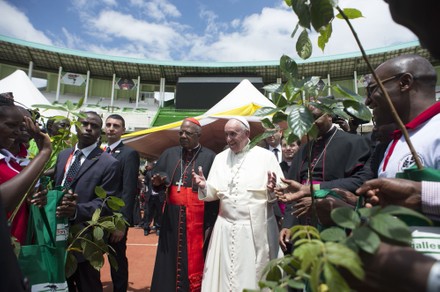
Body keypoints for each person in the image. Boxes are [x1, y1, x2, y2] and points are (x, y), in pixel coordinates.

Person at [192, 117, 284, 292]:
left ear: (247, 134)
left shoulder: (265, 157)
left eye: (233, 134)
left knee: (253, 275)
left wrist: (273, 189)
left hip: (256, 228)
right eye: (226, 134)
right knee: (225, 276)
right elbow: (213, 194)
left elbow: (280, 193)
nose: (228, 139)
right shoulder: (220, 158)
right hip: (225, 228)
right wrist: (205, 186)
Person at [276, 106, 373, 252]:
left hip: (336, 224)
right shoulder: (304, 149)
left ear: (329, 116)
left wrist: (317, 192)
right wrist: (288, 225)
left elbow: (359, 183)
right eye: (307, 119)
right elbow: (292, 192)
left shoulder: (353, 143)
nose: (312, 123)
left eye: (316, 117)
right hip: (303, 228)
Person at [53, 111, 121, 292]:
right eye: (84, 124)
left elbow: (105, 203)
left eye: (95, 126)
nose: (89, 128)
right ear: (76, 126)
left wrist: (76, 211)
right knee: (60, 284)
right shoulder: (62, 155)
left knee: (87, 284)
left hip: (86, 238)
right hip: (55, 234)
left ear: (101, 132)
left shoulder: (109, 163)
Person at [150, 117, 218, 292]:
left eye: (188, 133)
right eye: (181, 132)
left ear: (198, 135)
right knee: (169, 259)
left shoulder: (210, 157)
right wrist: (157, 183)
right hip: (171, 219)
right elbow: (157, 182)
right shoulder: (169, 153)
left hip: (198, 219)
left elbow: (215, 189)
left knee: (195, 259)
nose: (183, 135)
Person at [0, 92, 54, 292]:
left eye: (21, 126)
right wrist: (44, 153)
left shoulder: (12, 160)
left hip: (17, 242)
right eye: (11, 126)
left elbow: (22, 191)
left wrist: (35, 197)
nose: (18, 132)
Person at [104, 114, 140, 292]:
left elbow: (128, 190)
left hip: (114, 218)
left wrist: (121, 224)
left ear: (123, 130)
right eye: (108, 124)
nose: (111, 128)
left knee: (116, 259)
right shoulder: (98, 152)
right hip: (93, 216)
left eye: (116, 126)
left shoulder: (129, 154)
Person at [142, 160, 165, 236]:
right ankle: (146, 228)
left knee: (159, 213)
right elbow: (145, 184)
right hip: (150, 196)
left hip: (159, 196)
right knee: (148, 213)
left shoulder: (162, 174)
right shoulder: (148, 174)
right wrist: (145, 193)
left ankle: (158, 228)